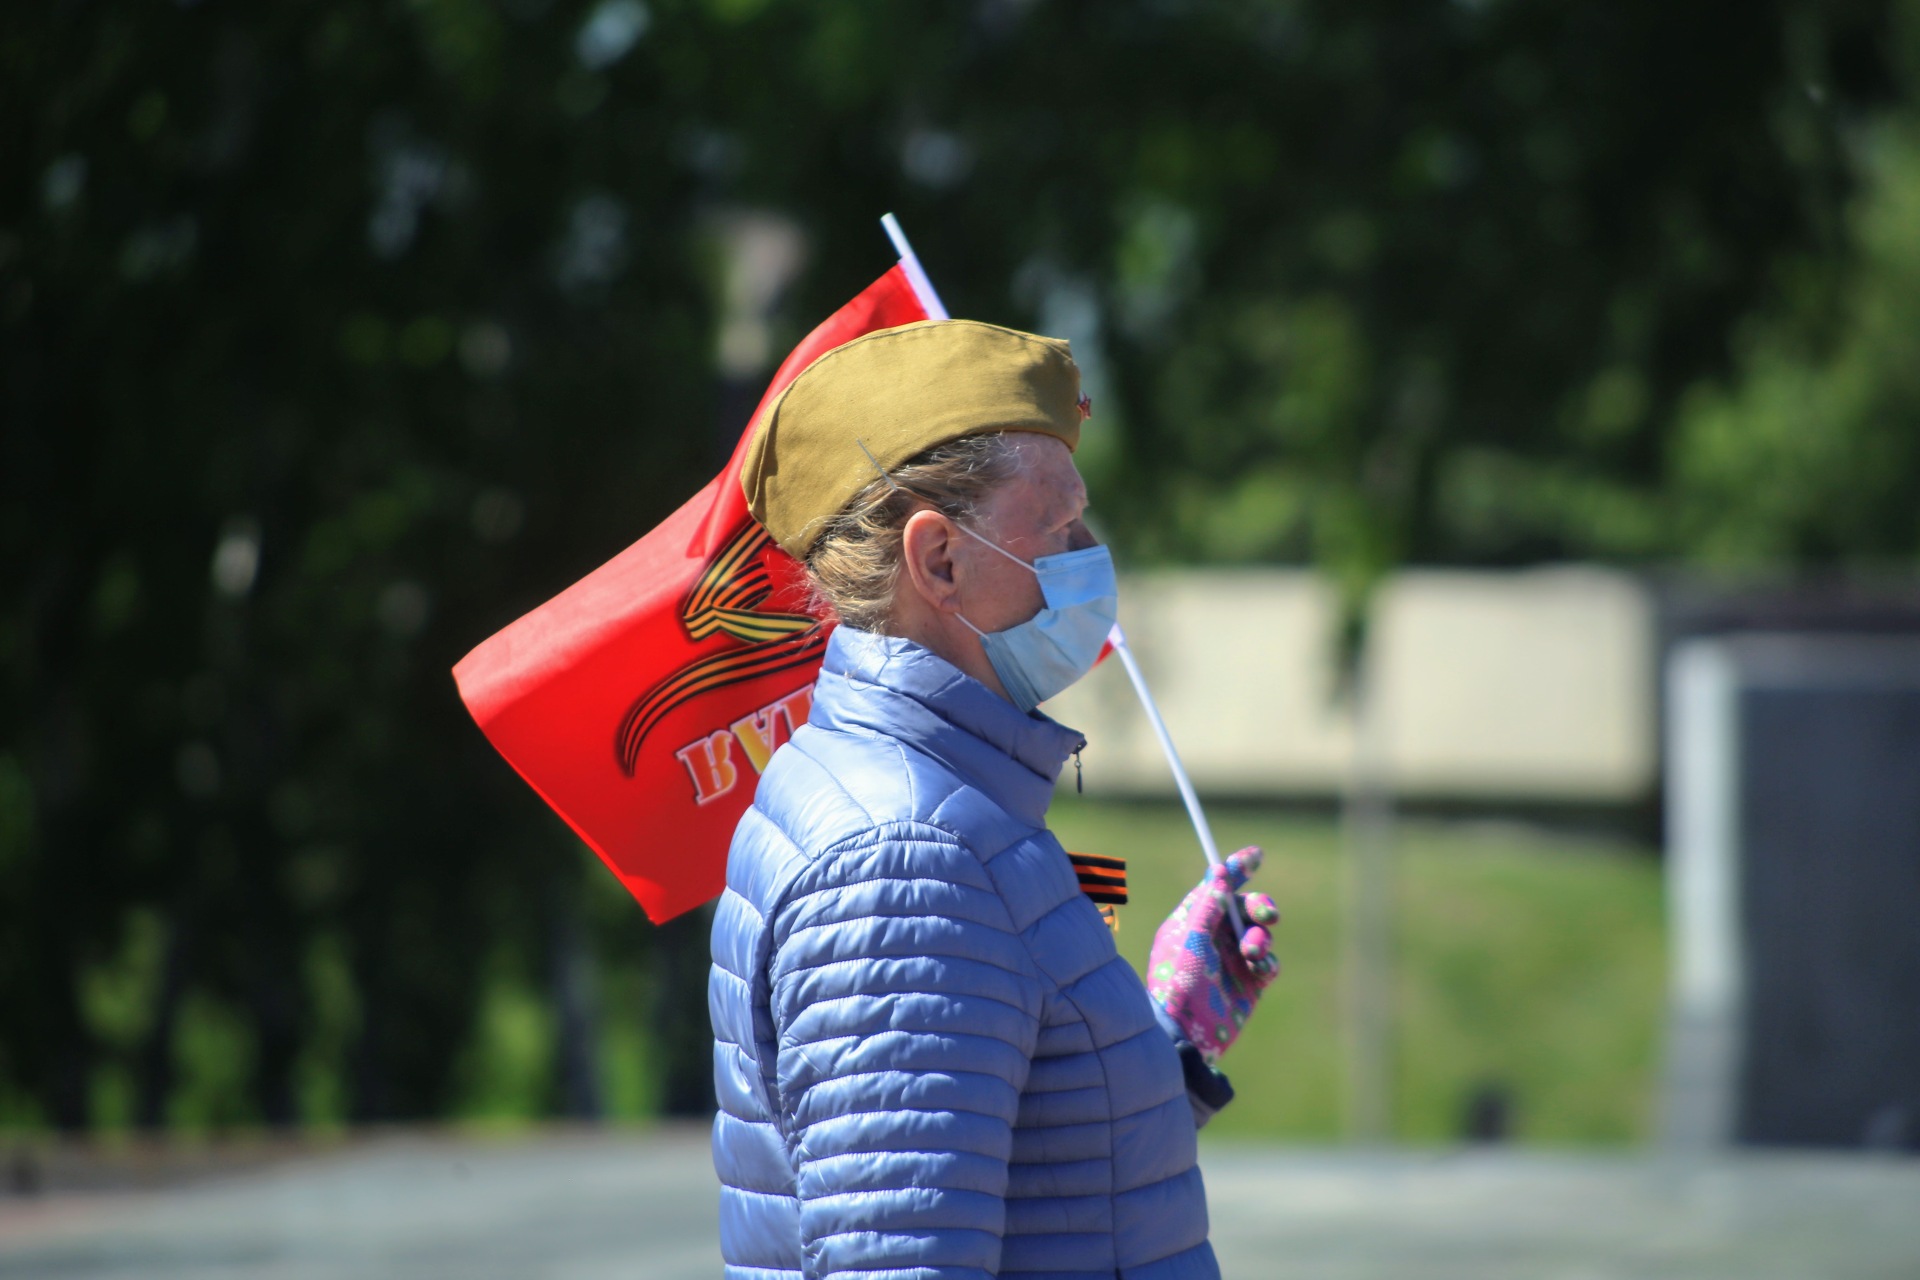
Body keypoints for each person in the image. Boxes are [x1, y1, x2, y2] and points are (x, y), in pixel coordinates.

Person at [709, 319, 1281, 1279]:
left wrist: (1166, 1041)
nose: (1092, 556)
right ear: (938, 560)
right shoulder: (906, 864)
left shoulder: (933, 806)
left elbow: (1031, 1189)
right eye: (1061, 528)